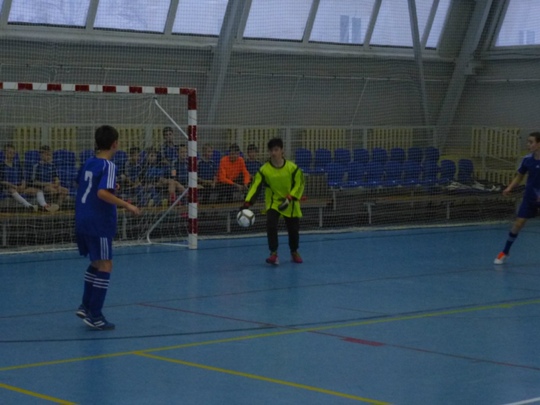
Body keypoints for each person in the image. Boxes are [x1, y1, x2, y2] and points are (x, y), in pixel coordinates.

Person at [75, 125, 141, 330]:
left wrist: (111, 187)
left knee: (96, 262)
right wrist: (127, 205)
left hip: (82, 218)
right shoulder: (109, 166)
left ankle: (86, 306)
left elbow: (83, 184)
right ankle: (95, 316)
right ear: (115, 144)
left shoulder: (89, 161)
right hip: (99, 222)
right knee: (106, 265)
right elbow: (101, 193)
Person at [241, 137, 305, 265]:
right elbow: (255, 186)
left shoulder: (293, 168)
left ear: (282, 151)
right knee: (271, 225)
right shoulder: (264, 170)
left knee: (293, 229)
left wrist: (290, 197)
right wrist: (247, 203)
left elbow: (300, 184)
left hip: (290, 202)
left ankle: (294, 251)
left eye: (276, 150)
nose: (273, 153)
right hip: (273, 202)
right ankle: (274, 254)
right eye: (271, 150)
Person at [494, 131, 540, 264]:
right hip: (530, 197)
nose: (528, 145)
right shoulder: (527, 159)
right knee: (518, 224)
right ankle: (505, 252)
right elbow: (519, 176)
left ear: (539, 144)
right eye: (528, 142)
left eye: (531, 142)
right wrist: (509, 188)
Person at [0, 144, 46, 212]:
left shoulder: (17, 165)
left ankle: (44, 205)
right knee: (11, 190)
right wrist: (13, 186)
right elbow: (1, 181)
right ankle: (29, 206)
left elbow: (23, 178)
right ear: (5, 153)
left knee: (39, 191)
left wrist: (23, 185)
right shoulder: (1, 166)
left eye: (13, 153)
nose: (12, 154)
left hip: (19, 187)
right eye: (10, 152)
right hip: (8, 188)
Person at [30, 145, 66, 210]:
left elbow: (56, 177)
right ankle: (48, 206)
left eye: (49, 155)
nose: (49, 156)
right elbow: (34, 182)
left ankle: (57, 207)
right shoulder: (36, 166)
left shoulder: (52, 166)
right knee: (52, 191)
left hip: (52, 185)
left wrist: (57, 182)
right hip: (42, 186)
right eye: (47, 154)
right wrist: (47, 184)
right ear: (41, 155)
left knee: (64, 191)